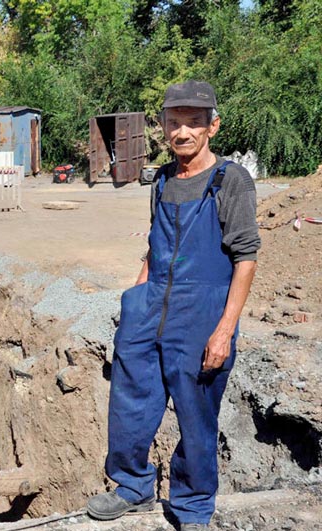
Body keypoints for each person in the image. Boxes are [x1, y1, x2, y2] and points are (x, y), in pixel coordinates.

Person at [86, 80, 260, 530]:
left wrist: (223, 330)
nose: (182, 132)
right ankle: (133, 486)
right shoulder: (161, 178)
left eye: (193, 123)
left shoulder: (231, 181)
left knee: (196, 414)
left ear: (212, 126)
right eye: (173, 123)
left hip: (201, 314)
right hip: (151, 305)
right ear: (163, 127)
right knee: (130, 404)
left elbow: (246, 259)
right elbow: (154, 245)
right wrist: (135, 302)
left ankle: (192, 506)